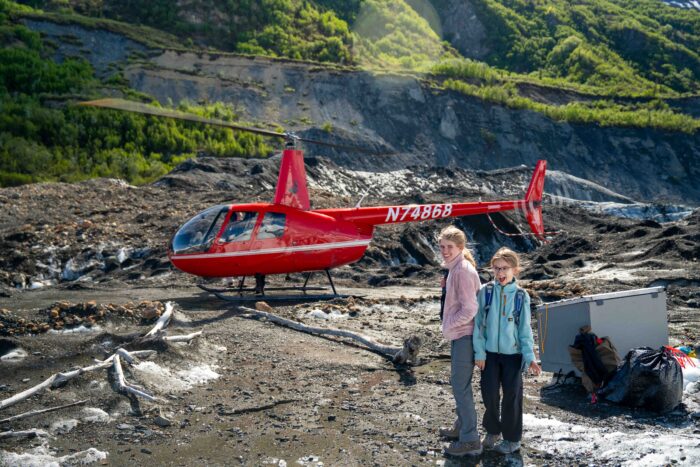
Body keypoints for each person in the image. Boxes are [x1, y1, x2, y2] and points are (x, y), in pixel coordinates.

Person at [473, 247, 541, 454]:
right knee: (490, 394)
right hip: (490, 355)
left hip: (513, 356)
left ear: (515, 270)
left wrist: (530, 357)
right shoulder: (486, 292)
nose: (500, 273)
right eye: (496, 269)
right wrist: (480, 353)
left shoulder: (521, 296)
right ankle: (493, 431)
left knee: (512, 397)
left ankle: (512, 440)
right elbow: (478, 326)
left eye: (505, 268)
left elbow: (525, 330)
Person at [437, 226, 483, 457]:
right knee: (459, 385)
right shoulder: (455, 268)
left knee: (460, 386)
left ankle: (470, 440)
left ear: (461, 248)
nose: (445, 251)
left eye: (449, 247)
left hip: (465, 335)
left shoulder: (462, 270)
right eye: (442, 246)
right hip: (460, 334)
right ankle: (461, 427)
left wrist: (448, 325)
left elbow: (470, 309)